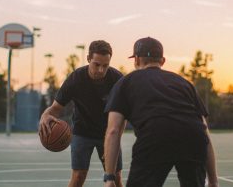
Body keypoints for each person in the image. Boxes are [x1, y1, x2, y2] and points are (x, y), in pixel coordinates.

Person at [103, 37, 218, 187]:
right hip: (193, 136)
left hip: (155, 135)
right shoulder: (183, 83)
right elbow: (204, 131)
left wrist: (109, 176)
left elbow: (113, 130)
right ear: (162, 61)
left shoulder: (125, 82)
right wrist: (214, 181)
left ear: (136, 60)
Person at [39, 40, 123, 187]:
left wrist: (113, 141)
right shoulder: (75, 79)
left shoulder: (117, 79)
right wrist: (45, 115)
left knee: (116, 178)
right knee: (78, 176)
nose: (101, 70)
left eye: (105, 65)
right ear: (88, 59)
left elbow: (124, 114)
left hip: (109, 133)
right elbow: (55, 108)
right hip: (82, 132)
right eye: (97, 64)